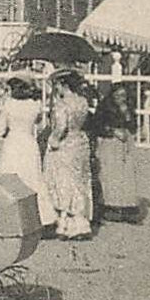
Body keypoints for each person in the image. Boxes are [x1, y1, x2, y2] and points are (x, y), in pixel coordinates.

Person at [45, 69, 95, 240]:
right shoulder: (82, 101)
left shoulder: (62, 104)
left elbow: (61, 126)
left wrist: (53, 140)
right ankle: (80, 223)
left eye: (57, 85)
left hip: (66, 144)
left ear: (63, 85)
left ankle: (65, 223)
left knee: (63, 182)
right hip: (80, 141)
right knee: (79, 181)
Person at [0, 73, 48, 224]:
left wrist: (1, 132)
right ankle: (37, 217)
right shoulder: (35, 104)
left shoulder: (9, 104)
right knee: (32, 178)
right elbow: (38, 122)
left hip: (13, 143)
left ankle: (10, 219)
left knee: (10, 176)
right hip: (29, 143)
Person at [94, 81, 140, 222]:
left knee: (125, 175)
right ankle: (110, 206)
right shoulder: (104, 107)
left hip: (125, 145)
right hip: (110, 143)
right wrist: (113, 131)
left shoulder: (128, 108)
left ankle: (126, 206)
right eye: (118, 95)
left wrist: (127, 115)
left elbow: (134, 127)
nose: (121, 98)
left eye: (124, 95)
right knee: (110, 175)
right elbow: (97, 125)